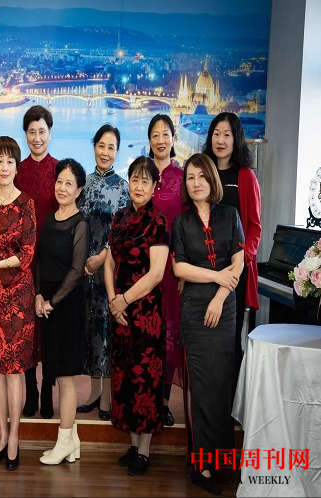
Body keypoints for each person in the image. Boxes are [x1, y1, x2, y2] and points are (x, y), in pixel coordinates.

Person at [172, 153, 244, 495]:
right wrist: (216, 277)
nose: (196, 182)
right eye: (190, 177)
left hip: (224, 310)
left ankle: (221, 460)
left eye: (202, 176)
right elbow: (180, 268)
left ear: (212, 179)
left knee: (221, 385)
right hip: (194, 312)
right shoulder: (181, 222)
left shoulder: (230, 215)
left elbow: (239, 262)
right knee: (200, 388)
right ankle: (201, 466)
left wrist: (219, 296)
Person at [105, 156, 169, 476]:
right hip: (120, 311)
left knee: (146, 379)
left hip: (146, 314)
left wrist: (124, 301)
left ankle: (144, 450)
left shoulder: (158, 221)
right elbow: (108, 262)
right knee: (124, 377)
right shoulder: (119, 217)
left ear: (155, 186)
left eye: (146, 181)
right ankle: (132, 444)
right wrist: (112, 301)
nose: (139, 186)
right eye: (134, 179)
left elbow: (156, 274)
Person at [0, 136, 36, 471]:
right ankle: (1, 435)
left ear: (16, 166)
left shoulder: (26, 204)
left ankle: (15, 438)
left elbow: (27, 254)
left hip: (19, 296)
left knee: (15, 372)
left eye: (9, 161)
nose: (3, 167)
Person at [36, 159, 88, 465]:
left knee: (67, 377)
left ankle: (64, 440)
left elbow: (76, 271)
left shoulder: (80, 224)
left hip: (67, 306)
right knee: (55, 371)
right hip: (47, 304)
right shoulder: (49, 219)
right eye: (60, 182)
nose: (63, 188)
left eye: (69, 183)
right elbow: (40, 261)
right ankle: (73, 441)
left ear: (79, 190)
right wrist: (38, 294)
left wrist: (52, 302)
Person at [202, 112, 261, 384]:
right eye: (216, 134)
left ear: (236, 139)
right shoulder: (203, 173)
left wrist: (243, 260)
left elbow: (254, 227)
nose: (221, 140)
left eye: (227, 135)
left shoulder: (246, 176)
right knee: (204, 336)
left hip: (235, 271)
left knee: (230, 338)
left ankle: (232, 402)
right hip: (204, 268)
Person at [76, 124, 130, 420]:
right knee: (90, 330)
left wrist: (100, 258)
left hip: (109, 269)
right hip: (85, 271)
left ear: (117, 152)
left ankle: (107, 397)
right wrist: (83, 261)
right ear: (94, 146)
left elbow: (121, 232)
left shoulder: (123, 187)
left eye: (111, 147)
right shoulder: (83, 183)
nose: (105, 152)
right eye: (101, 146)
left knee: (108, 331)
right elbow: (77, 224)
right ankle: (94, 392)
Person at [14, 105, 58, 419]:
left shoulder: (60, 170)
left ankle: (48, 390)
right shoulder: (17, 171)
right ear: (26, 135)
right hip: (24, 262)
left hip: (54, 260)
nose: (37, 137)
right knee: (27, 328)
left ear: (50, 133)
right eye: (32, 132)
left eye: (42, 131)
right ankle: (31, 390)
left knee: (51, 327)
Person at [147, 114, 185, 427]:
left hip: (171, 270)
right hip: (142, 268)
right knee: (144, 333)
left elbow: (185, 226)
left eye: (165, 134)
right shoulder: (141, 174)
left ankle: (162, 402)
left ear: (173, 138)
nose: (160, 140)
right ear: (149, 140)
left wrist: (182, 266)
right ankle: (143, 400)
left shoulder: (183, 177)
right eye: (155, 135)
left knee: (168, 335)